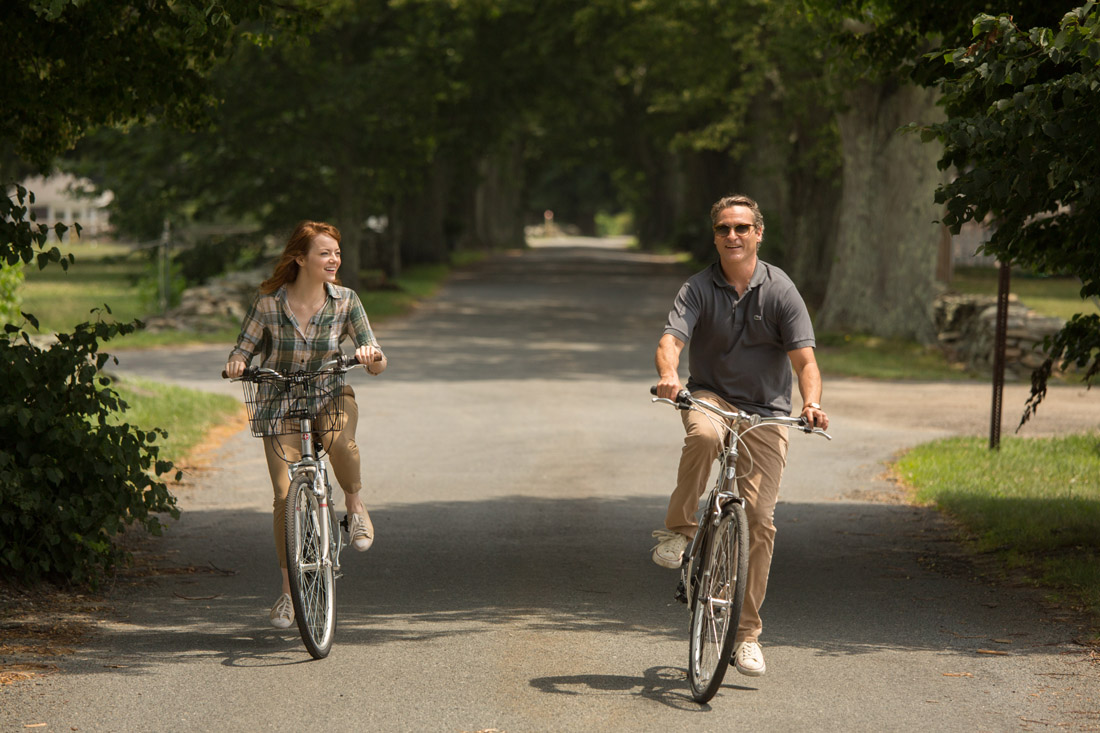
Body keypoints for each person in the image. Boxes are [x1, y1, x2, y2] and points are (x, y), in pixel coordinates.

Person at [651, 194, 829, 678]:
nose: (734, 235)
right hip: (711, 396)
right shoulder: (697, 287)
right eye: (725, 228)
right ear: (715, 236)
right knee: (704, 437)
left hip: (767, 412)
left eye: (743, 228)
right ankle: (680, 529)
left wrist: (810, 404)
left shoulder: (781, 290)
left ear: (758, 234)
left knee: (760, 520)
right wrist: (671, 376)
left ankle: (746, 635)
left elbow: (805, 361)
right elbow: (671, 341)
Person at [224, 220, 386, 629]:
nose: (334, 260)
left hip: (330, 395)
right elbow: (243, 348)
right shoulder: (267, 304)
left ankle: (354, 506)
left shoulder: (346, 301)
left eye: (336, 253)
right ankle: (287, 592)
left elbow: (378, 358)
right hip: (279, 403)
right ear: (300, 258)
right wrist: (238, 362)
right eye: (324, 253)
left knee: (338, 443)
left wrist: (370, 355)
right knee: (283, 496)